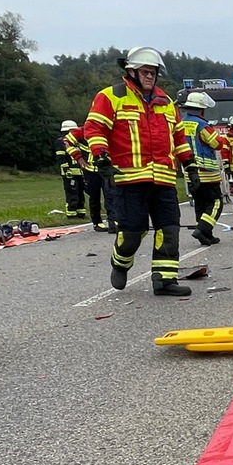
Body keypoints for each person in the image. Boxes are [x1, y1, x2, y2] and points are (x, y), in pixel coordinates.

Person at [84, 46, 195, 297]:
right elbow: (94, 129)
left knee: (169, 230)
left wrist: (190, 164)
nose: (150, 77)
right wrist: (101, 156)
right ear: (131, 72)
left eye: (153, 72)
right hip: (129, 179)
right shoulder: (112, 96)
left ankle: (165, 280)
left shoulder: (166, 102)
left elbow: (179, 137)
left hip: (164, 179)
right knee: (133, 231)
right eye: (145, 72)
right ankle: (120, 262)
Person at [179, 91, 227, 246]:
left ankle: (207, 235)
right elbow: (217, 143)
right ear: (201, 109)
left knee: (200, 204)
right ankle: (202, 229)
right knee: (215, 203)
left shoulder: (181, 123)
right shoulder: (202, 125)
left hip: (190, 172)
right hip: (207, 172)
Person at [65, 121, 116, 233]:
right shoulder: (80, 132)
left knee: (111, 195)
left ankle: (113, 222)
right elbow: (66, 142)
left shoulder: (109, 131)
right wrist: (78, 158)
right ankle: (97, 222)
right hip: (90, 170)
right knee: (94, 196)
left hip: (106, 170)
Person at [55, 120, 86, 221]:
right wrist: (66, 170)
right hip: (69, 173)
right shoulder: (61, 142)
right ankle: (71, 214)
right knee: (72, 193)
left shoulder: (77, 141)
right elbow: (61, 157)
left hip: (80, 172)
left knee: (81, 193)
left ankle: (81, 212)